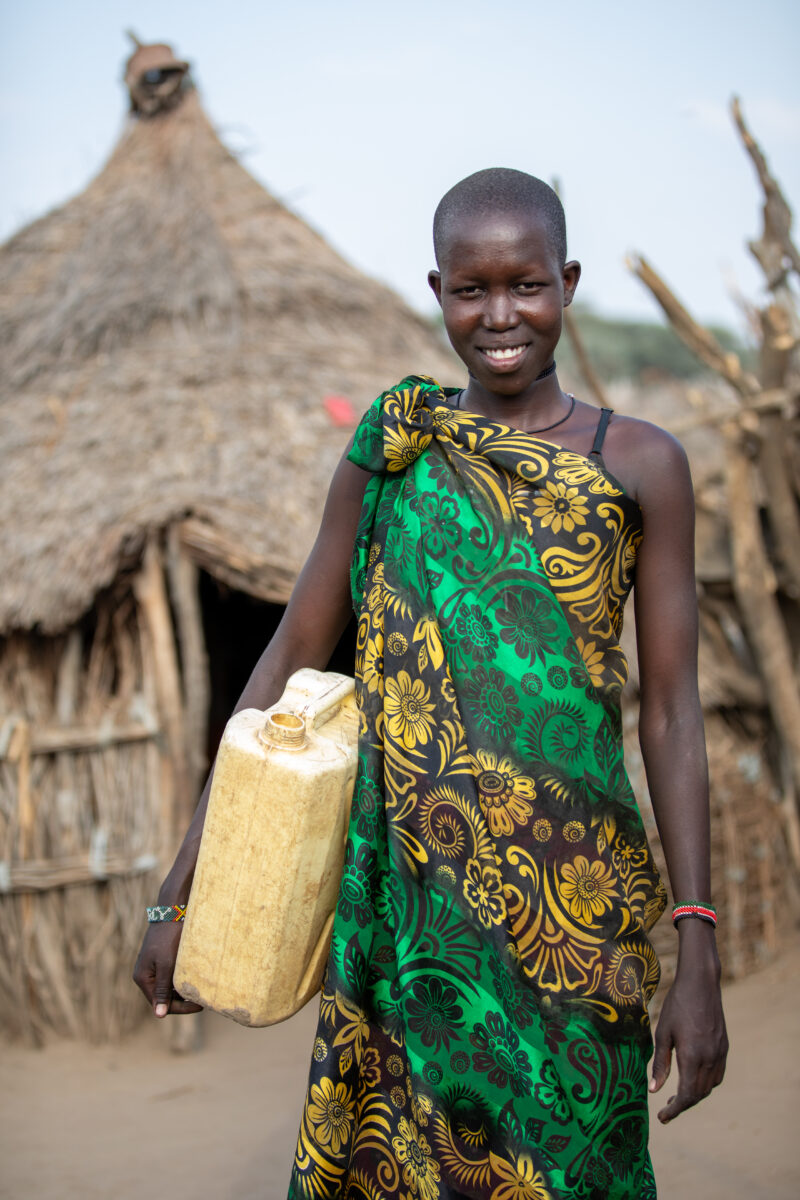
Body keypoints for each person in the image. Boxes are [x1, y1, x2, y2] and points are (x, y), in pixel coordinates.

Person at [134, 168, 728, 1198]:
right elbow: (285, 665)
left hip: (578, 927)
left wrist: (698, 947)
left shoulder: (639, 464)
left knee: (577, 1168)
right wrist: (181, 886)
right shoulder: (393, 453)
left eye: (525, 285)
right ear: (436, 290)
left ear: (567, 282)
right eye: (471, 289)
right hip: (411, 921)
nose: (500, 316)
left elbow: (672, 715)